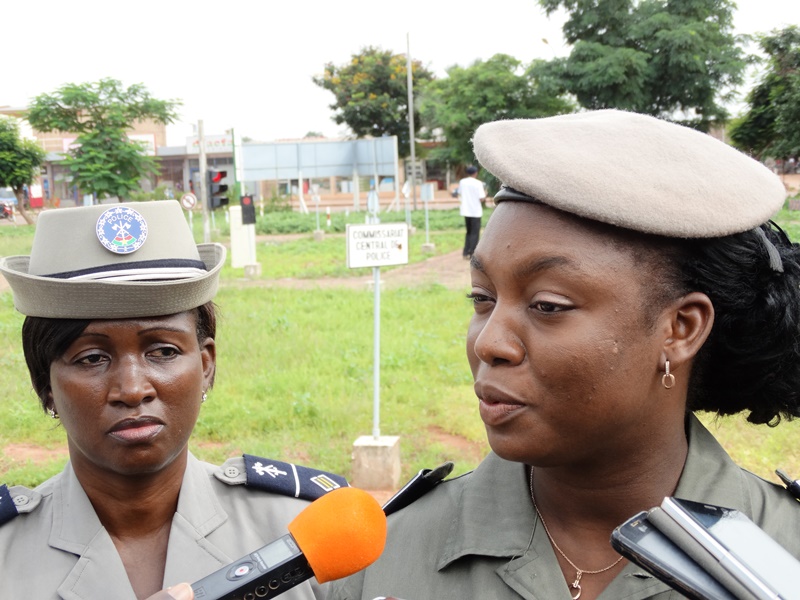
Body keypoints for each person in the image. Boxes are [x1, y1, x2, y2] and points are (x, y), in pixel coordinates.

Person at [328, 110, 800, 599]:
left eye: (547, 306)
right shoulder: (380, 561)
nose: (489, 343)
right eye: (482, 298)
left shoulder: (785, 557)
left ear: (680, 329)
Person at [0, 201, 347, 600]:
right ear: (45, 385)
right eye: (92, 357)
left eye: (162, 351)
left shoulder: (307, 533)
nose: (132, 389)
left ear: (206, 365)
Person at [456, 165, 486, 259]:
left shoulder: (462, 182)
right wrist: (485, 194)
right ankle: (472, 252)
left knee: (468, 232)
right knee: (475, 233)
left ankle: (465, 252)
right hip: (475, 211)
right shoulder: (478, 183)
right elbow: (481, 198)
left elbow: (459, 193)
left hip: (466, 210)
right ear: (475, 173)